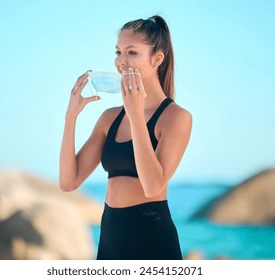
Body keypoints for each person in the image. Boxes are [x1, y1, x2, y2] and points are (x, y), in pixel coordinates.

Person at [59, 15, 192, 260]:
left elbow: (153, 186)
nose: (121, 61)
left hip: (152, 237)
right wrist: (71, 117)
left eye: (132, 52)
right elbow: (69, 182)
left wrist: (135, 114)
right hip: (110, 236)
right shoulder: (109, 119)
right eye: (118, 52)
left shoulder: (176, 118)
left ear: (157, 59)